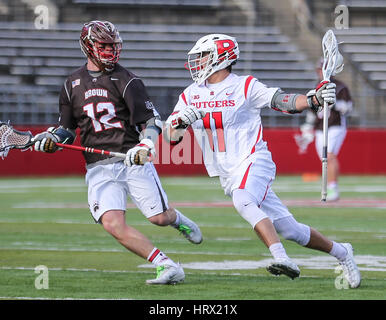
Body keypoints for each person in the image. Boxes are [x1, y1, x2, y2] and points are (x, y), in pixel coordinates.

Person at [163, 34, 361, 288]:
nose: (197, 62)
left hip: (254, 159)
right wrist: (180, 122)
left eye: (202, 56)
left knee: (243, 199)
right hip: (228, 171)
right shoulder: (190, 94)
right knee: (292, 231)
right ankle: (343, 252)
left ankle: (282, 258)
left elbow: (282, 101)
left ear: (220, 58)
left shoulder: (245, 85)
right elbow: (171, 137)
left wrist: (312, 99)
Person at [32, 20, 203, 285]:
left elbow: (151, 121)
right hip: (97, 167)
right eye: (104, 46)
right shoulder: (71, 83)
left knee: (158, 218)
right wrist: (52, 139)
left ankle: (177, 219)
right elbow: (66, 129)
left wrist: (145, 145)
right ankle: (166, 265)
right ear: (88, 46)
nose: (110, 51)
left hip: (129, 158)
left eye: (113, 45)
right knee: (112, 223)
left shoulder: (127, 80)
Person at [295, 58, 353, 201]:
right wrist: (307, 128)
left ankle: (333, 188)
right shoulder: (317, 87)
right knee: (324, 158)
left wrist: (333, 104)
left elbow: (348, 107)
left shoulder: (339, 87)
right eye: (319, 70)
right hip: (320, 127)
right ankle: (329, 186)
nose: (320, 72)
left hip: (335, 125)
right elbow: (312, 109)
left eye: (322, 69)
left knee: (330, 155)